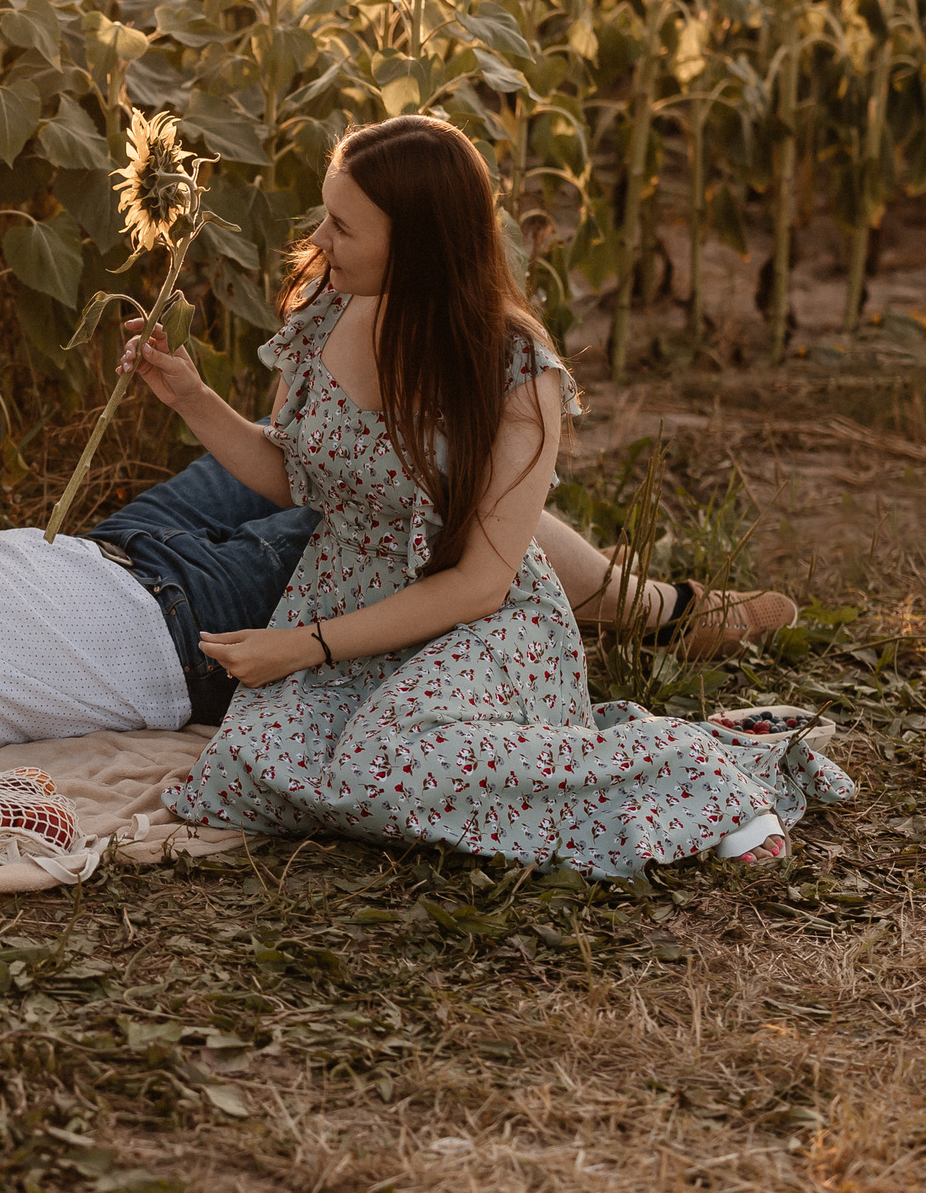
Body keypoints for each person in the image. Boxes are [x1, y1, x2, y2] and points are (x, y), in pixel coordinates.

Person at [0, 147, 767, 783]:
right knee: (411, 514)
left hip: (117, 551)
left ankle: (629, 591)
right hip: (182, 636)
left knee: (344, 469)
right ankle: (661, 614)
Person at [127, 116, 853, 873]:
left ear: (417, 242)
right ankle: (606, 764)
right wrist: (191, 396)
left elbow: (479, 583)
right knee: (245, 770)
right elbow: (297, 475)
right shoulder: (325, 307)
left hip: (483, 625)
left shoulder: (511, 367)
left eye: (342, 224)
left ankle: (696, 775)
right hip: (344, 604)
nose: (319, 238)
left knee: (387, 761)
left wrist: (300, 647)